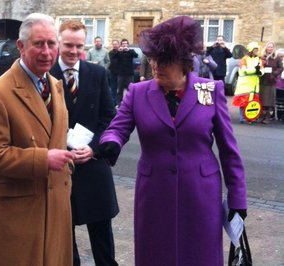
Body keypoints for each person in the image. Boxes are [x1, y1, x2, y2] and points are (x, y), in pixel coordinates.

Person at [98, 16, 247, 266]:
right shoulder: (138, 92)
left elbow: (229, 151)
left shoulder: (212, 90)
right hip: (155, 191)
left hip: (201, 193)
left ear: (183, 62)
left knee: (200, 254)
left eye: (164, 60)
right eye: (153, 59)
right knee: (155, 253)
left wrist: (238, 199)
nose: (155, 66)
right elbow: (118, 127)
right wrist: (111, 141)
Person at [0, 13, 74, 266]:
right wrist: (44, 159)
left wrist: (69, 159)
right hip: (20, 213)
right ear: (21, 46)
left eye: (52, 44)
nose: (47, 52)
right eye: (38, 44)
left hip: (56, 207)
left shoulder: (55, 85)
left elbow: (56, 139)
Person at [50, 20, 119, 266]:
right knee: (65, 237)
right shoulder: (47, 75)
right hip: (60, 167)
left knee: (102, 236)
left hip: (92, 162)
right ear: (59, 42)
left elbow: (109, 118)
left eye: (79, 46)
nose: (74, 51)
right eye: (68, 45)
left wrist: (94, 149)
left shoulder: (97, 73)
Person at [232, 42, 264, 123]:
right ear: (251, 50)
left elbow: (262, 70)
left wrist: (259, 72)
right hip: (245, 85)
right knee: (243, 101)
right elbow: (244, 70)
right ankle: (242, 117)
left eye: (257, 50)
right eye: (255, 50)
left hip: (254, 84)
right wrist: (255, 70)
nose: (257, 51)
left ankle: (250, 117)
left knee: (252, 102)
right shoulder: (244, 59)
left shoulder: (259, 59)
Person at [258, 41, 283, 124]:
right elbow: (258, 65)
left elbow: (280, 68)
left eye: (271, 47)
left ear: (273, 48)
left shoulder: (277, 57)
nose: (270, 48)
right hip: (262, 80)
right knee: (261, 99)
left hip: (271, 81)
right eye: (268, 46)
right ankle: (261, 115)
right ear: (266, 47)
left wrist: (274, 74)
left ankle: (268, 117)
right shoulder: (262, 57)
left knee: (269, 100)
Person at [109, 38, 138, 106]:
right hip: (121, 74)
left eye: (126, 44)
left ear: (127, 45)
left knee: (130, 89)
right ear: (121, 45)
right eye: (123, 44)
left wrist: (129, 50)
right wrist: (118, 51)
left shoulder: (131, 51)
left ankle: (130, 103)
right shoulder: (119, 52)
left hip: (129, 74)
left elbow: (136, 55)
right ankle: (119, 103)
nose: (124, 45)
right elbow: (113, 57)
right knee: (120, 90)